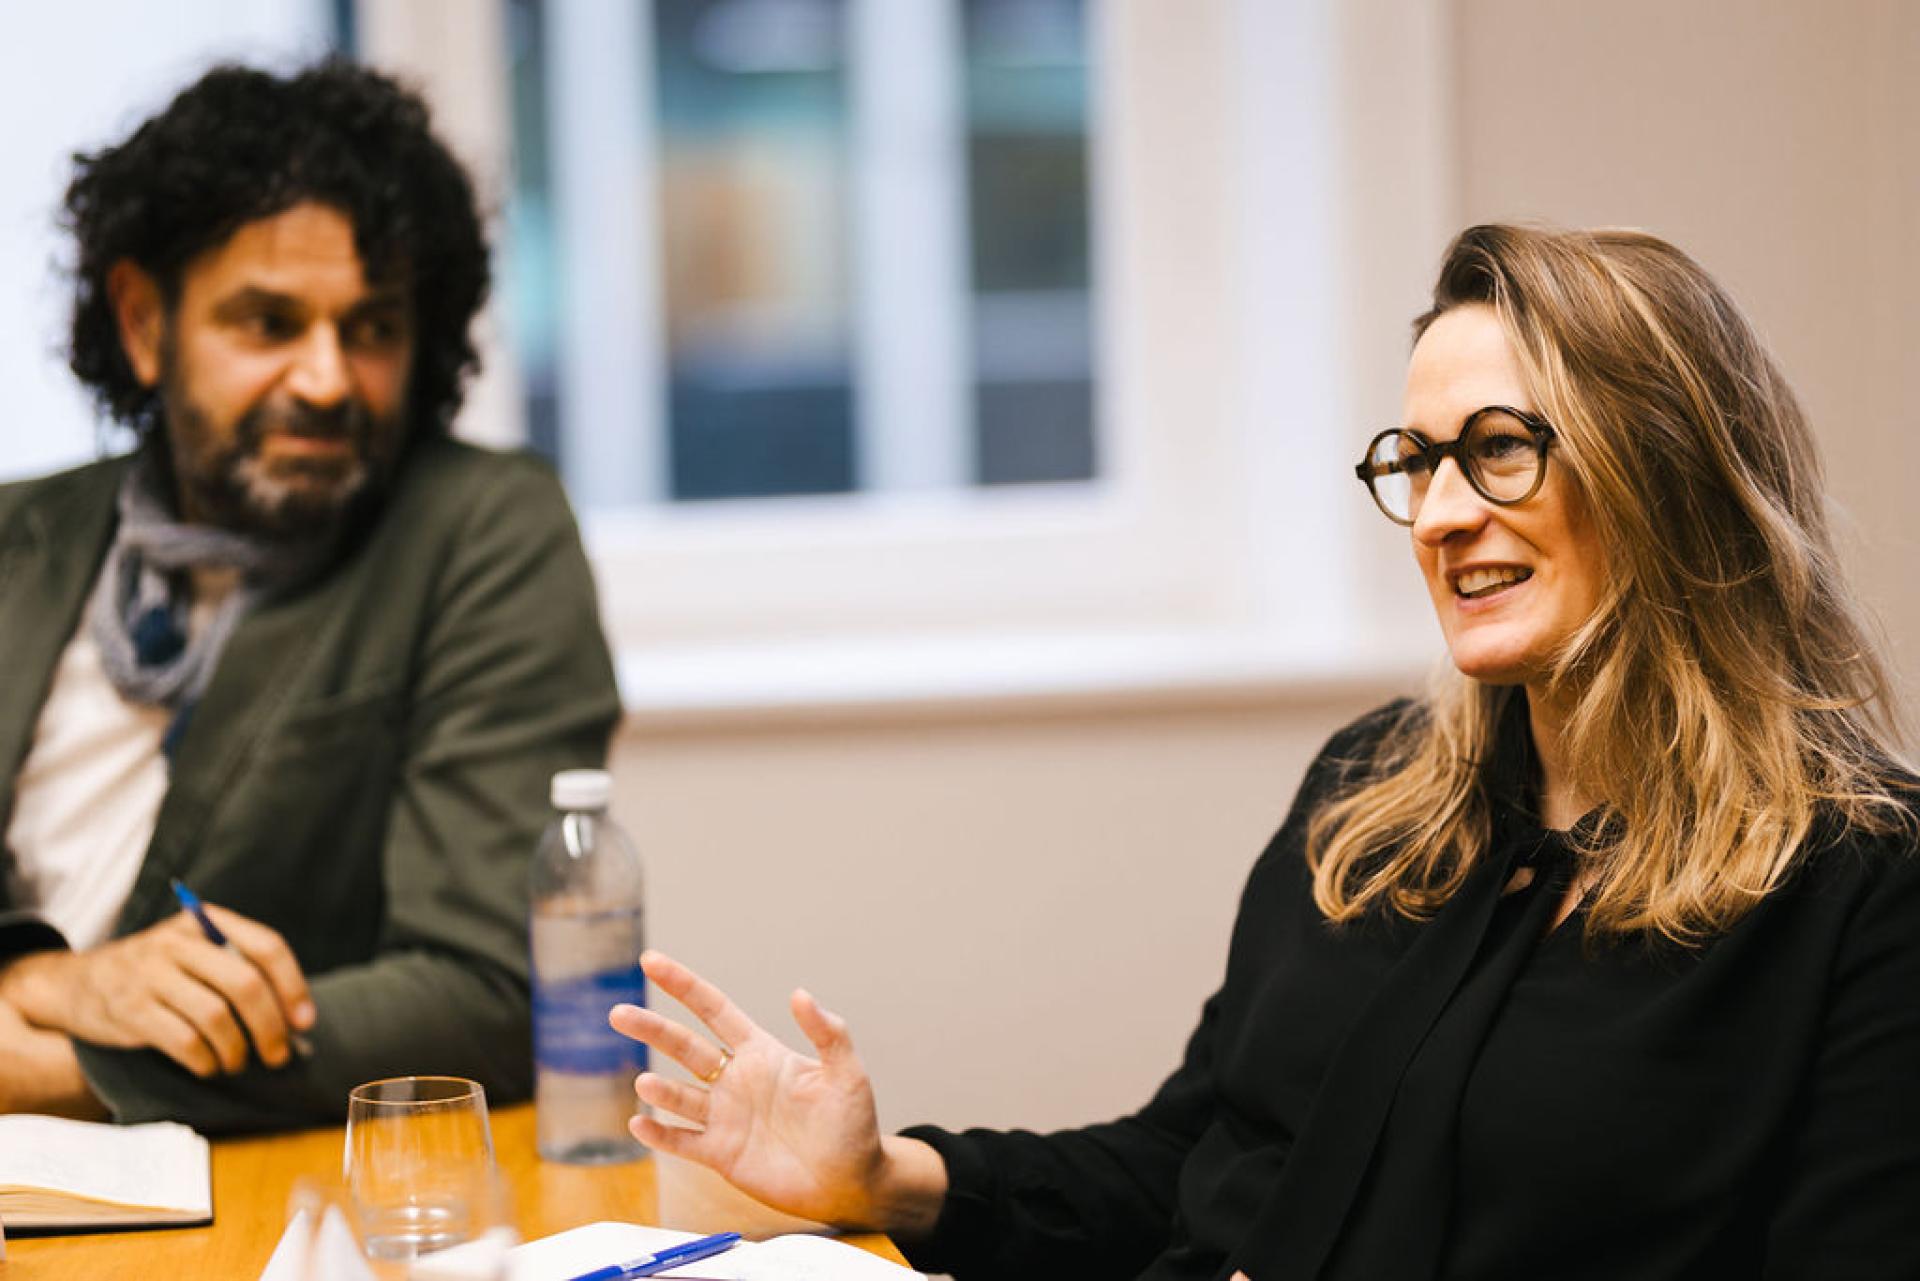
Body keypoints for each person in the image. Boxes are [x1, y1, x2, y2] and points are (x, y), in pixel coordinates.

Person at [608, 225, 1920, 1278]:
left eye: (1502, 450)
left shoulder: (1865, 884)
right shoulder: (1375, 793)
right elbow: (1195, 1158)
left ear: (1670, 470)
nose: (1444, 515)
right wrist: (884, 1176)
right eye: (1417, 462)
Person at [0, 61, 620, 1132]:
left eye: (372, 328)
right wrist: (41, 981)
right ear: (145, 324)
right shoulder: (20, 537)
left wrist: (63, 1074)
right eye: (269, 323)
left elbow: (489, 994)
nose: (327, 380)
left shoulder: (480, 529)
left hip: (259, 1201)